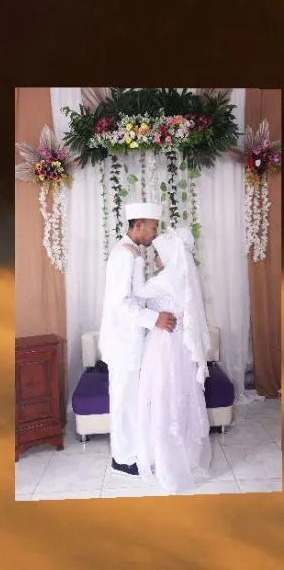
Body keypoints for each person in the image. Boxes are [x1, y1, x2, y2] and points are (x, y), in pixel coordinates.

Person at [99, 202, 177, 477]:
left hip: (129, 339)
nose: (155, 234)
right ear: (139, 225)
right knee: (122, 400)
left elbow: (136, 295)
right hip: (121, 341)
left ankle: (130, 451)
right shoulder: (124, 256)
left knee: (130, 399)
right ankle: (121, 457)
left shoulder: (132, 253)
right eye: (153, 228)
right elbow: (121, 303)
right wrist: (154, 319)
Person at [133, 226, 212, 494]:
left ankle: (166, 459)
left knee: (163, 396)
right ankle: (183, 454)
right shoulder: (184, 275)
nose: (154, 258)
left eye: (156, 253)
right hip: (180, 346)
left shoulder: (165, 278)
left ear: (168, 254)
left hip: (164, 345)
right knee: (179, 395)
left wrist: (135, 261)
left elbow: (138, 292)